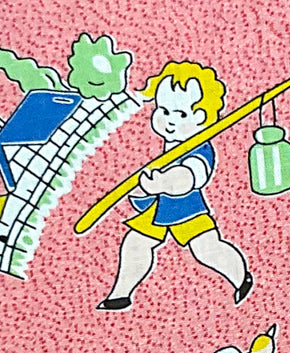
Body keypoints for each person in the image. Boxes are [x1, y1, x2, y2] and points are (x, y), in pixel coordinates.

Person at [98, 61, 253, 311]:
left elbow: (189, 176)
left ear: (200, 117)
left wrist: (162, 183)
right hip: (158, 208)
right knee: (136, 243)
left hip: (186, 208)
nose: (169, 121)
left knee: (206, 249)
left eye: (181, 114)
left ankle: (241, 277)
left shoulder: (200, 148)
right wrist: (142, 189)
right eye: (164, 110)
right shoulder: (170, 145)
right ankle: (120, 294)